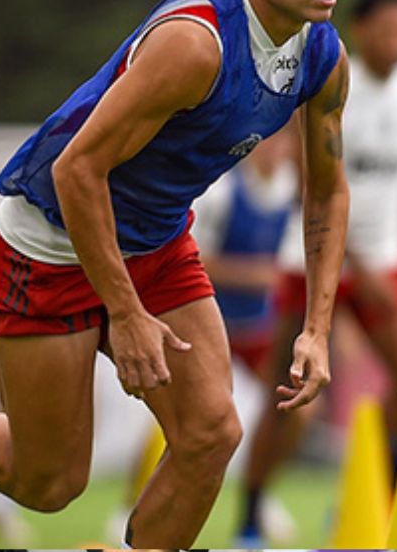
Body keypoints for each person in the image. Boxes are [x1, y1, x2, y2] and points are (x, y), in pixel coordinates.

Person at [0, 0, 352, 549]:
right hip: (49, 244)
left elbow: (328, 190)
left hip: (155, 242)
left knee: (212, 434)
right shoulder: (195, 45)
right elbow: (77, 168)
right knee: (48, 485)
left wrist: (316, 329)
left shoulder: (322, 55)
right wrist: (126, 313)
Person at [235, 0, 397, 545]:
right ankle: (249, 516)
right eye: (388, 30)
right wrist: (357, 264)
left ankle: (367, 499)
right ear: (360, 29)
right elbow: (313, 187)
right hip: (313, 258)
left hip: (388, 260)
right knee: (287, 392)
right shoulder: (330, 80)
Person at [107, 123, 301, 544]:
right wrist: (255, 276)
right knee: (177, 416)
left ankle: (258, 496)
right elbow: (197, 260)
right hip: (212, 320)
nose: (275, 149)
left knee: (296, 409)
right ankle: (129, 503)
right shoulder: (223, 193)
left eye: (283, 141)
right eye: (267, 140)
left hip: (259, 327)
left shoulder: (290, 192)